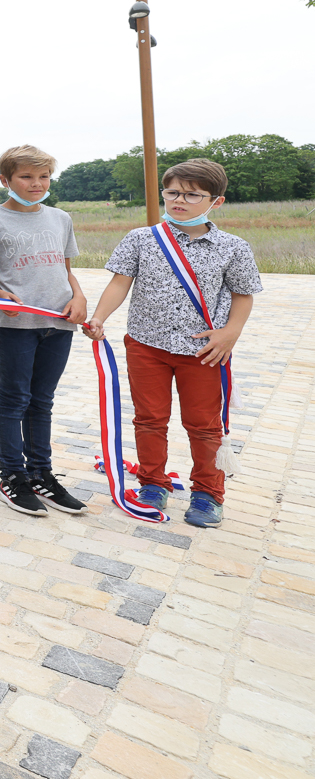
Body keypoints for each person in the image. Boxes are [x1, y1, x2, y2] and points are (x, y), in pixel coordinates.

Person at [85, 159, 260, 529]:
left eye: (192, 194)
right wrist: (100, 317)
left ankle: (208, 493)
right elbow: (120, 283)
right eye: (173, 192)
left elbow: (244, 295)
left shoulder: (233, 247)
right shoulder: (140, 239)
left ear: (217, 201)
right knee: (149, 419)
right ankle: (152, 483)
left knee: (204, 425)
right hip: (146, 345)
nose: (179, 200)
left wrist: (231, 332)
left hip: (204, 351)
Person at [0, 145, 89, 517]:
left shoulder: (60, 218)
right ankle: (12, 476)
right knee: (14, 400)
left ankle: (42, 473)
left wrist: (80, 297)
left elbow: (66, 269)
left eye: (43, 177)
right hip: (15, 326)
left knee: (43, 401)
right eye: (26, 177)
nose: (36, 184)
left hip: (58, 324)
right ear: (5, 180)